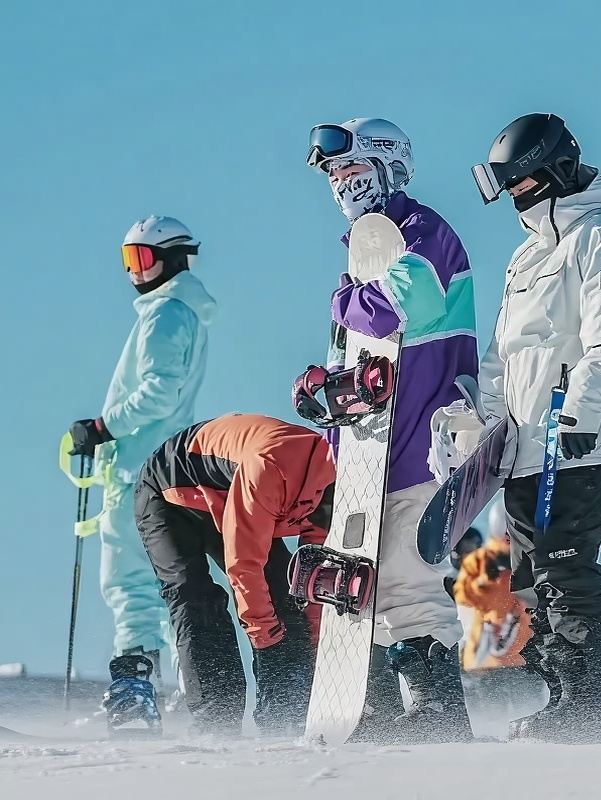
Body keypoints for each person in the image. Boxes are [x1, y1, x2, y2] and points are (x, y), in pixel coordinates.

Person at [471, 112, 601, 744]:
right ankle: (562, 698)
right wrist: (484, 426)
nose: (517, 199)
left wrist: (581, 410)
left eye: (522, 184)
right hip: (525, 447)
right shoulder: (525, 256)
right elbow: (501, 356)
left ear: (554, 170)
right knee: (531, 580)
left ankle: (590, 706)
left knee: (566, 566)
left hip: (581, 440)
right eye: (510, 189)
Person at [307, 117, 479, 740]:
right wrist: (334, 419)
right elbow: (357, 361)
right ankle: (381, 703)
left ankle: (437, 711)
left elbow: (402, 309)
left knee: (409, 575)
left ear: (388, 167)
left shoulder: (425, 232)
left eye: (353, 169)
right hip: (372, 454)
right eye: (335, 175)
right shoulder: (361, 259)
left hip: (424, 443)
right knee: (368, 592)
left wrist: (342, 301)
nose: (343, 184)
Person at [67, 215, 217, 697]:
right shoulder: (178, 311)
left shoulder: (166, 313)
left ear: (172, 258)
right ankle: (190, 696)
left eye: (143, 258)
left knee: (128, 582)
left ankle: (135, 693)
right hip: (162, 469)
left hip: (136, 472)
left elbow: (159, 391)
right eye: (127, 259)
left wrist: (102, 427)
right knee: (170, 583)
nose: (133, 271)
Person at [132, 414, 333, 737]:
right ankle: (217, 720)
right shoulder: (270, 471)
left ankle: (286, 714)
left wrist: (311, 642)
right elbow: (244, 567)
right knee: (195, 597)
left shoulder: (334, 492)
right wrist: (267, 641)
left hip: (229, 497)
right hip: (168, 492)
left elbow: (309, 581)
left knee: (285, 596)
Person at [452, 502, 546, 721]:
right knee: (490, 725)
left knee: (533, 726)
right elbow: (464, 601)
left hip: (527, 664)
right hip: (487, 666)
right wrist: (492, 576)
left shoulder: (537, 560)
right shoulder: (480, 562)